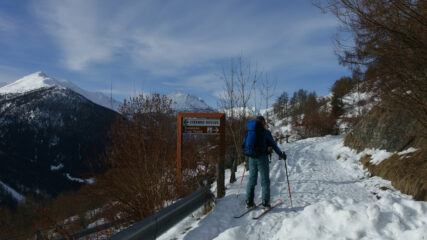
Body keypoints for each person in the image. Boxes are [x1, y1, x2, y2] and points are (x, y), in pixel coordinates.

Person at [243, 116, 286, 209]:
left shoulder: (249, 131)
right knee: (265, 180)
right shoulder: (265, 132)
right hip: (262, 158)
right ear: (262, 122)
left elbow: (243, 144)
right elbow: (273, 144)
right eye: (264, 123)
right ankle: (265, 203)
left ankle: (249, 202)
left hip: (251, 158)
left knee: (252, 179)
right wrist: (280, 153)